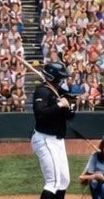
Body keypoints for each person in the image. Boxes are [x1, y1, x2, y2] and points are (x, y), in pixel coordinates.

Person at [32, 61, 76, 199]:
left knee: (64, 180)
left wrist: (70, 105)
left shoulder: (59, 92)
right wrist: (59, 105)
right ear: (53, 78)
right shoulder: (42, 91)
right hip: (45, 139)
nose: (63, 80)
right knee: (53, 182)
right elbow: (40, 113)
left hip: (57, 140)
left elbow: (69, 116)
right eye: (61, 78)